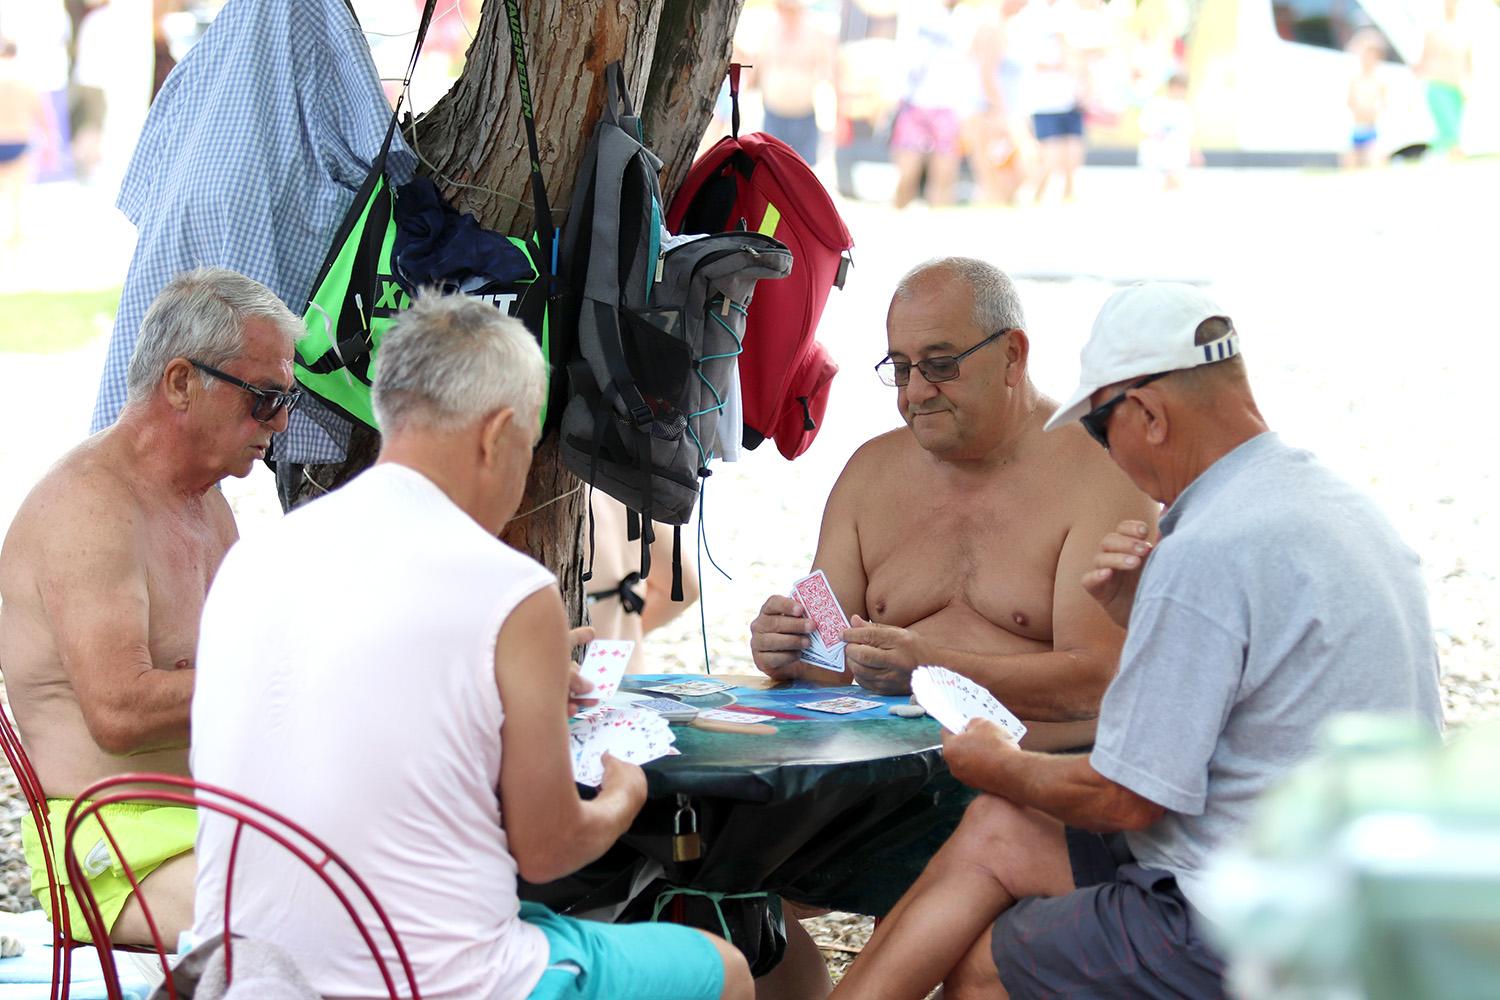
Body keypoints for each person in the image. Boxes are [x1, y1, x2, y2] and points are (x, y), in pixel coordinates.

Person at [827, 282, 1444, 999]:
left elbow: (1123, 799)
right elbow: (1261, 674)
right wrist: (1144, 613)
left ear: (1147, 414)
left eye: (1096, 429)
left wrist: (994, 761)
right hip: (1363, 883)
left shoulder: (1208, 547)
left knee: (988, 967)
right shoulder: (1330, 504)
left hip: (1258, 918)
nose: (1104, 455)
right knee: (997, 833)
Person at [190, 294, 754, 1000]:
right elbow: (546, 849)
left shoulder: (258, 556)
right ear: (496, 435)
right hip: (427, 981)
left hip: (237, 973)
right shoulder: (509, 588)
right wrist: (621, 796)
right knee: (724, 970)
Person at [748, 256, 1157, 998]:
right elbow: (827, 643)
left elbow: (1098, 684)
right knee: (717, 874)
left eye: (938, 366)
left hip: (1028, 782)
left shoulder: (1097, 472)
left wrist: (931, 662)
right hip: (869, 779)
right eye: (899, 368)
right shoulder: (871, 474)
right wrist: (786, 645)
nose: (914, 394)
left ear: (1013, 354)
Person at [0, 267, 302, 945]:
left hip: (211, 817)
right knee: (307, 930)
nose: (280, 421)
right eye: (262, 397)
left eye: (290, 397)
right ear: (180, 383)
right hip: (110, 843)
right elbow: (118, 711)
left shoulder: (206, 502)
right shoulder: (89, 509)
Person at [586, 491, 701, 673]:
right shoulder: (629, 484)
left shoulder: (551, 497)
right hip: (625, 665)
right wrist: (632, 634)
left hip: (576, 672)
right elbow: (683, 589)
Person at [890, 0, 984, 208]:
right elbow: (902, 53)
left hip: (949, 108)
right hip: (914, 104)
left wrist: (968, 112)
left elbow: (970, 68)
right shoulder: (916, 10)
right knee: (907, 175)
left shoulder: (967, 19)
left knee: (944, 178)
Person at [1011, 0, 1088, 203]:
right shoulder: (1029, 15)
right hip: (1044, 102)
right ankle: (1030, 197)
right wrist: (1061, 61)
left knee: (1073, 158)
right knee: (1049, 159)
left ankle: (1068, 198)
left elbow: (1079, 55)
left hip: (1070, 100)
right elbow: (1029, 60)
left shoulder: (1070, 11)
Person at [742, 0, 836, 166]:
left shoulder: (815, 33)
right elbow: (756, 69)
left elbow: (828, 72)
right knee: (772, 166)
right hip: (773, 113)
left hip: (804, 114)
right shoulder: (769, 31)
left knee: (803, 168)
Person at [1418, 0, 1471, 160]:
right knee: (1449, 131)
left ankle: (1438, 157)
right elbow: (1424, 59)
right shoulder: (1433, 30)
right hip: (1437, 85)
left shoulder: (1463, 31)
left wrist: (1467, 86)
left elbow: (1468, 64)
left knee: (1453, 130)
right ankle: (1432, 155)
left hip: (1456, 87)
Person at [1137, 73, 1196, 190]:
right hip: (1155, 155)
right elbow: (1145, 125)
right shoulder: (1155, 104)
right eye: (1177, 87)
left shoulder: (1184, 108)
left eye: (1182, 88)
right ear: (1171, 86)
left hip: (1175, 157)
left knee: (1174, 187)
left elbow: (1187, 133)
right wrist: (1155, 134)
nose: (1179, 91)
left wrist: (1194, 152)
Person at [1344, 31, 1388, 170]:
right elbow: (1350, 101)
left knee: (1375, 158)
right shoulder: (1355, 79)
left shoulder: (1379, 80)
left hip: (1371, 127)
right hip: (1357, 127)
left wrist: (1374, 111)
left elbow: (1383, 103)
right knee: (1350, 160)